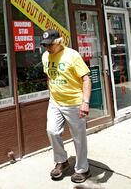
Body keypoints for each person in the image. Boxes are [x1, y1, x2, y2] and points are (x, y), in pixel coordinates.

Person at [41, 29, 92, 183]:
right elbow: (50, 78)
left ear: (59, 42)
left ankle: (83, 169)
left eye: (50, 45)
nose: (48, 48)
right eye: (45, 45)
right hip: (55, 102)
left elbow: (86, 79)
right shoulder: (45, 56)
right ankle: (62, 161)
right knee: (52, 131)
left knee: (78, 137)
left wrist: (85, 102)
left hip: (74, 103)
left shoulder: (72, 55)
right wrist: (52, 95)